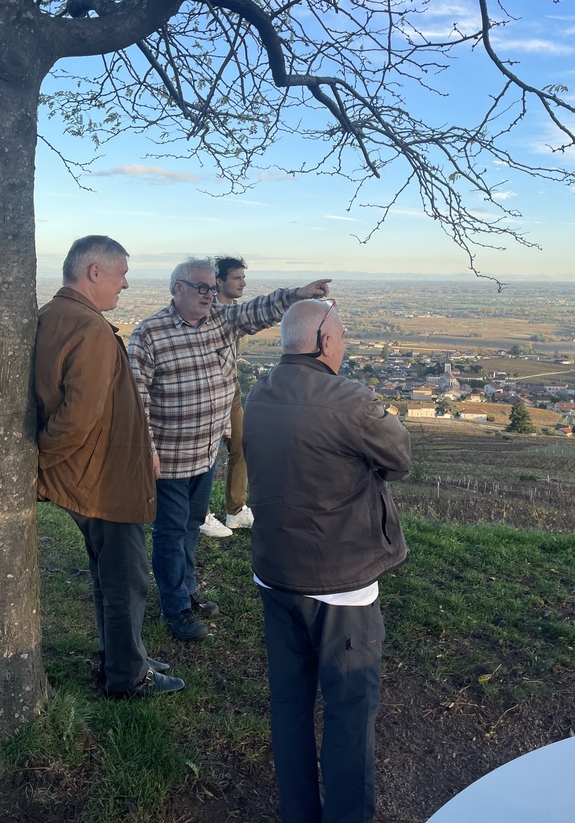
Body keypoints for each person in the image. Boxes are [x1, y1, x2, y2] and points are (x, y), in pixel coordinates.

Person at [243, 299, 411, 823]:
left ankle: (298, 812)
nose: (343, 345)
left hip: (276, 573)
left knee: (290, 705)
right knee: (349, 711)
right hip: (342, 584)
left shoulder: (260, 393)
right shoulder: (351, 402)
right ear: (323, 343)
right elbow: (399, 458)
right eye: (339, 336)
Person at [128, 258, 331, 642]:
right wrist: (147, 451)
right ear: (177, 289)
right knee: (170, 532)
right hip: (169, 457)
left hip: (205, 452)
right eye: (200, 287)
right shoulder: (149, 334)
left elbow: (259, 310)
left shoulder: (222, 319)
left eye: (210, 288)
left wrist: (299, 295)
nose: (208, 295)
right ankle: (176, 609)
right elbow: (135, 399)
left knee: (190, 526)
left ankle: (186, 589)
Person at [35, 235, 184, 697]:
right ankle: (126, 677)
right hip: (99, 481)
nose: (125, 282)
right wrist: (40, 464)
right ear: (93, 272)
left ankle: (124, 653)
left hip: (92, 473)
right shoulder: (90, 328)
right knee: (126, 580)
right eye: (120, 272)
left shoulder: (51, 317)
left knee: (109, 576)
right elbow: (76, 416)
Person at [198, 254, 252, 538]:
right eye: (237, 278)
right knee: (206, 453)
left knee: (241, 446)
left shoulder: (235, 311)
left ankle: (235, 511)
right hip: (208, 391)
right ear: (218, 282)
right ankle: (201, 515)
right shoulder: (205, 311)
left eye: (243, 277)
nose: (243, 283)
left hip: (232, 389)